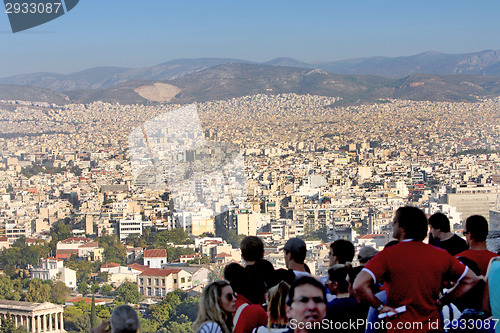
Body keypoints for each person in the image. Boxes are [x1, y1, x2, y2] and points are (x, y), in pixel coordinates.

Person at [354, 206, 480, 333]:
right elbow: (471, 279)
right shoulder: (440, 255)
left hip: (401, 327)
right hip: (432, 327)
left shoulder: (387, 256)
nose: (392, 224)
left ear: (403, 227)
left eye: (395, 221)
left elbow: (359, 285)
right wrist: (443, 301)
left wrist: (380, 307)